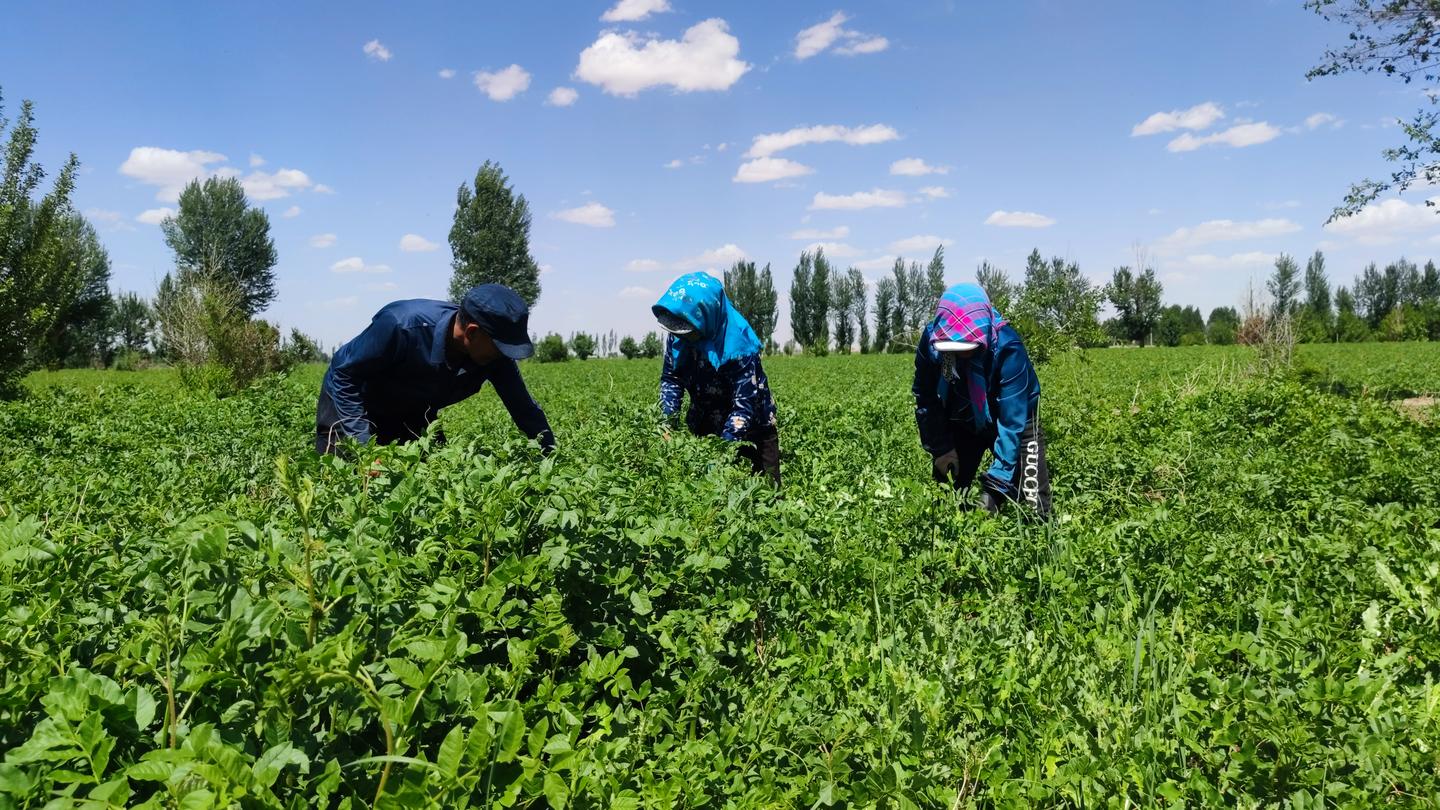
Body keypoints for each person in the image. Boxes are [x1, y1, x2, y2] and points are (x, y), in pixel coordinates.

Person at [315, 284, 555, 456]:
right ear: (471, 332)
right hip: (354, 399)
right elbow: (344, 373)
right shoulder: (402, 326)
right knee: (345, 480)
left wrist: (552, 458)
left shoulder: (493, 355)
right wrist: (365, 450)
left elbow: (524, 409)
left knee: (432, 473)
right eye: (501, 347)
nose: (505, 355)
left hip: (411, 406)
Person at [913, 283, 1050, 517]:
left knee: (1033, 503)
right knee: (947, 502)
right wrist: (941, 448)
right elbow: (926, 398)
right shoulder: (932, 340)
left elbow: (1011, 423)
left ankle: (1038, 541)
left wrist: (995, 486)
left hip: (1017, 419)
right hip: (962, 415)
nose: (960, 353)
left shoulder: (1008, 347)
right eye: (951, 347)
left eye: (968, 345)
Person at [651, 272, 781, 486]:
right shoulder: (679, 335)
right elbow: (672, 378)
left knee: (765, 496)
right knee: (707, 497)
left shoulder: (740, 345)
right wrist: (667, 423)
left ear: (706, 317)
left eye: (687, 331)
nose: (681, 337)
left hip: (751, 429)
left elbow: (743, 407)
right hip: (705, 421)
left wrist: (723, 454)